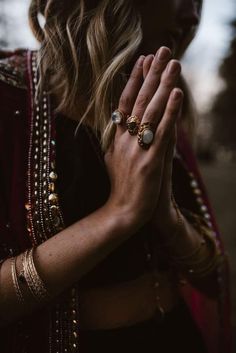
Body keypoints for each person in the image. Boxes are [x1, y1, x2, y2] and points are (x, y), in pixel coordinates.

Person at [0, 0, 231, 352]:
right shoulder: (8, 99)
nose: (192, 16)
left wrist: (167, 219)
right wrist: (119, 213)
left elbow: (211, 279)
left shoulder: (158, 107)